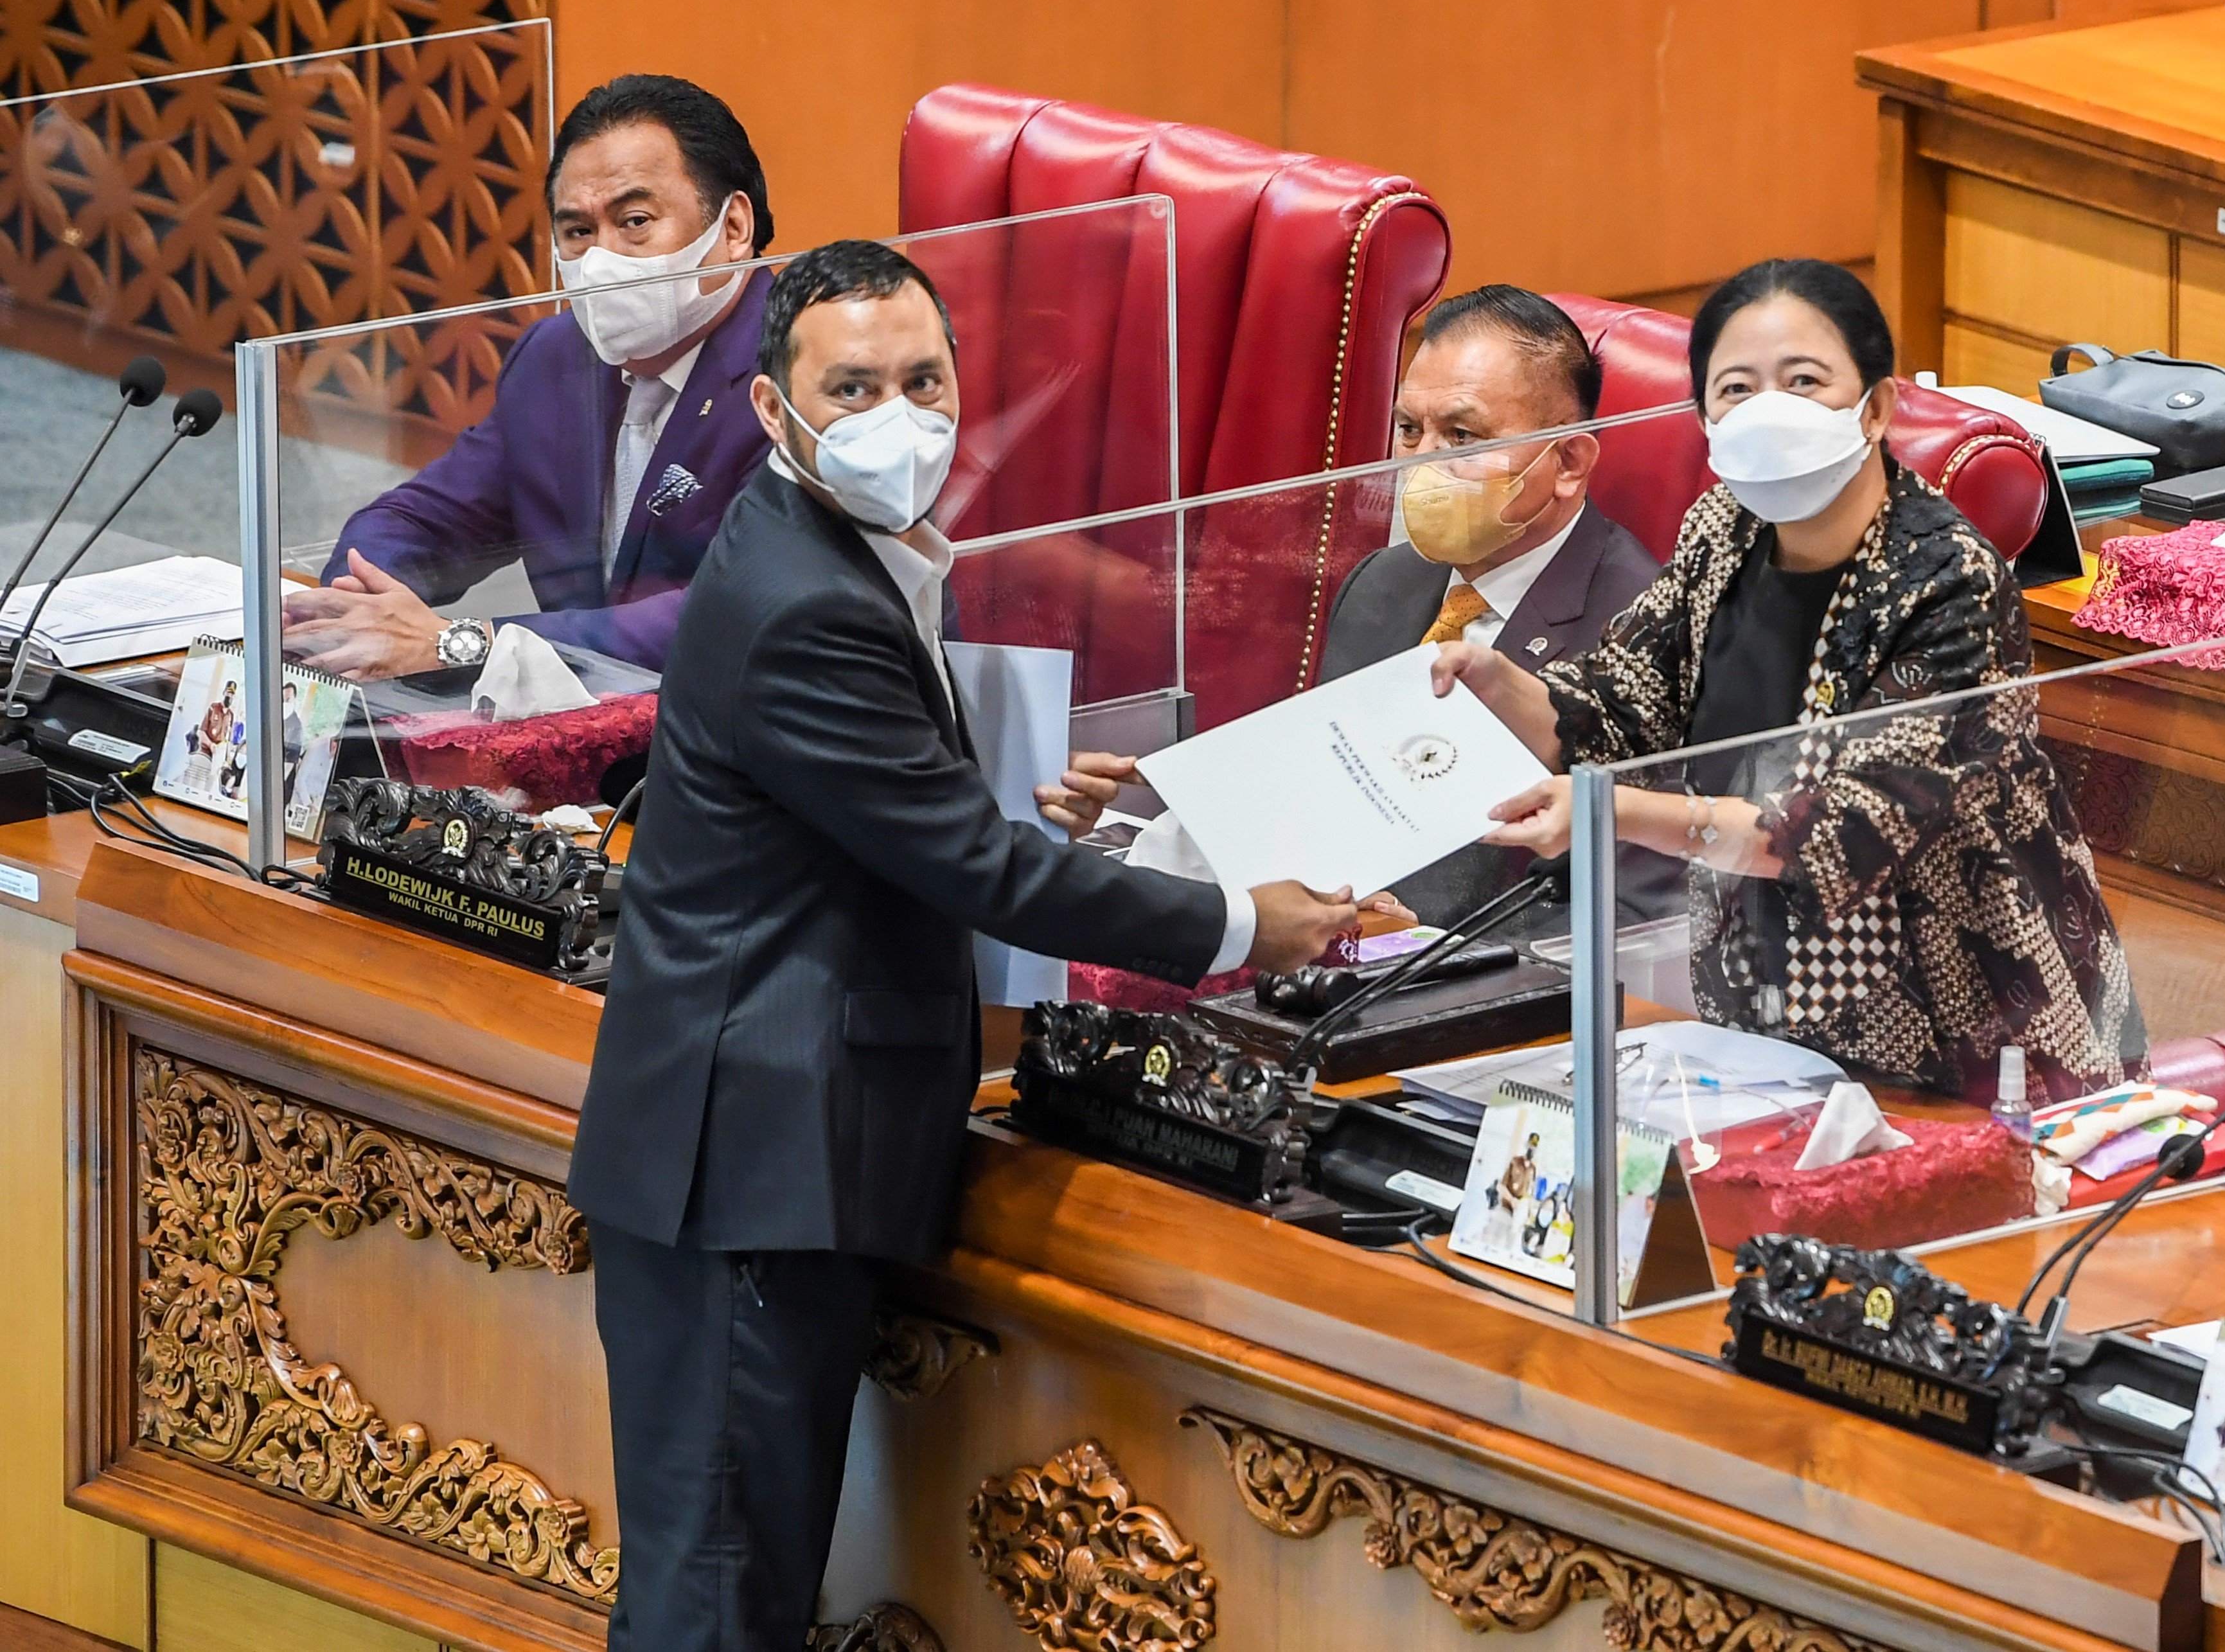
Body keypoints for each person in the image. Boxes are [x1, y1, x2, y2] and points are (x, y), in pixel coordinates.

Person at [568, 239, 1356, 1652]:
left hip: (763, 1144)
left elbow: (908, 819)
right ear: (772, 411)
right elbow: (974, 864)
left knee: (730, 1584)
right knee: (716, 1604)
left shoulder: (832, 549)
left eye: (923, 379)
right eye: (852, 385)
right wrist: (1241, 921)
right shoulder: (804, 602)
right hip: (744, 1169)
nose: (899, 414)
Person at [1433, 258, 2143, 1105]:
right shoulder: (1723, 528)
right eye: (1737, 387)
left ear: (1875, 406)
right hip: (1762, 1025)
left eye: (1803, 380)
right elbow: (1620, 700)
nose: (1768, 409)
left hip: (1970, 1041)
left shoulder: (1949, 580)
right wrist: (1502, 683)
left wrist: (1605, 812)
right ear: (1704, 415)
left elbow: (1840, 832)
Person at [1034, 285, 1671, 941]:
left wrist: (1421, 944)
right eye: (1408, 430)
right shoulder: (1384, 583)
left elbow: (1636, 915)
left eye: (1462, 435)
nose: (1423, 466)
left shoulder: (1642, 631)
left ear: (1567, 462)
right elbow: (1320, 796)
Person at [283, 75, 777, 680]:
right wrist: (359, 604)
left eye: (637, 221)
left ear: (733, 229)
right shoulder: (556, 358)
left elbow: (730, 617)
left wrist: (462, 641)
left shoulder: (800, 380)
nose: (602, 261)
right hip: (569, 728)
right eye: (578, 232)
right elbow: (426, 519)